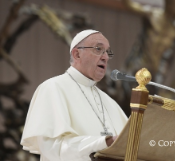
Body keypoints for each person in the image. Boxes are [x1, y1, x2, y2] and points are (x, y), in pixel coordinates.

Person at [21, 30, 128, 161]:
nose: (105, 57)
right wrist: (104, 142)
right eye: (98, 49)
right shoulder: (53, 88)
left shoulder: (109, 101)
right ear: (77, 54)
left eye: (107, 52)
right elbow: (53, 149)